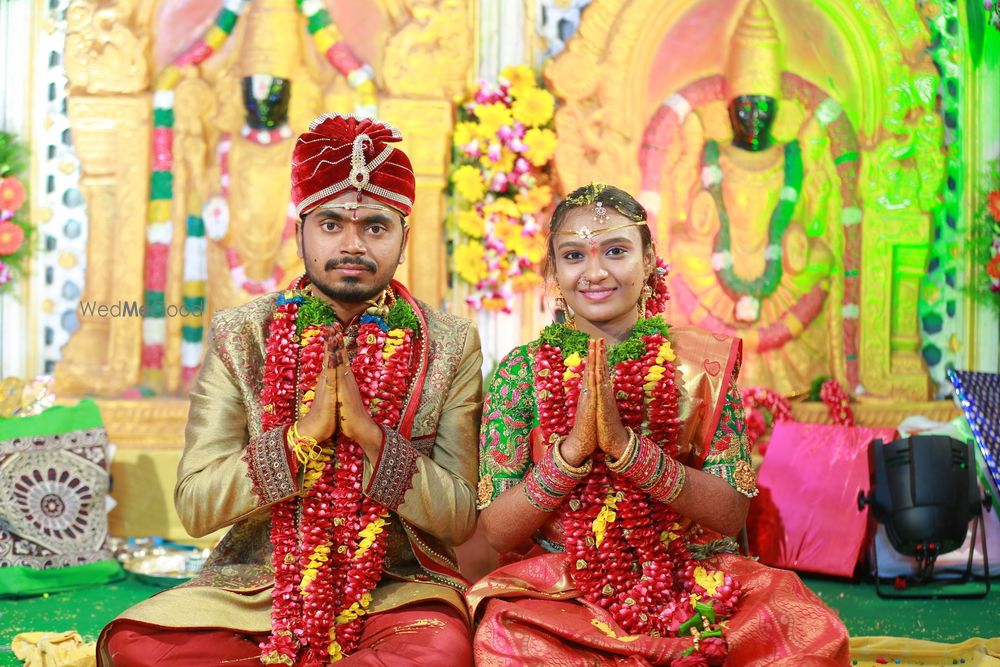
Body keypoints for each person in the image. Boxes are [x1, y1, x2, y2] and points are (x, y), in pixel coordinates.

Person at [98, 113, 482, 666]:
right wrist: (300, 437)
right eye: (330, 224)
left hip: (395, 590)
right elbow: (196, 506)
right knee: (141, 646)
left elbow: (459, 516)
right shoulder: (243, 334)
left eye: (375, 226)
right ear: (300, 231)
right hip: (256, 589)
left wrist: (373, 439)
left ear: (403, 238)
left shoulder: (450, 343)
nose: (352, 243)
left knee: (441, 651)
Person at [468, 183, 850, 666]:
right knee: (506, 642)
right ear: (553, 271)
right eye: (573, 256)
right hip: (563, 586)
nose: (595, 272)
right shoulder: (521, 372)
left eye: (616, 250)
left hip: (695, 576)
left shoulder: (702, 367)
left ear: (649, 259)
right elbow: (498, 532)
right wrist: (571, 455)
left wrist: (629, 451)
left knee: (810, 632)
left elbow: (731, 514)